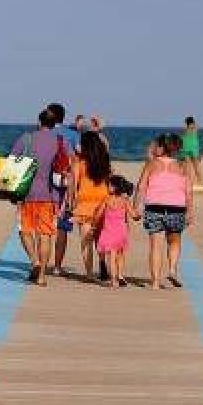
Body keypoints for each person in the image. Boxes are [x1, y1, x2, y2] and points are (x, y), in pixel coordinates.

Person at [9, 109, 63, 286]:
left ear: (39, 122)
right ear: (54, 124)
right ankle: (42, 277)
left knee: (24, 230)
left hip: (27, 194)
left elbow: (11, 161)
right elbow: (67, 167)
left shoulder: (26, 138)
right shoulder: (59, 141)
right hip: (50, 194)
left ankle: (35, 262)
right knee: (45, 235)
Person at [135, 133, 194, 290]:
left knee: (155, 245)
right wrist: (190, 211)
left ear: (162, 147)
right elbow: (188, 191)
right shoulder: (183, 166)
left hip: (154, 207)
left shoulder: (152, 164)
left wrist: (137, 205)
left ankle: (155, 282)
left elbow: (141, 186)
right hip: (177, 208)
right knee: (174, 241)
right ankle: (173, 270)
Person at [64, 130, 111, 279]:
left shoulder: (79, 163)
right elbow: (109, 183)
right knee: (101, 238)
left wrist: (70, 203)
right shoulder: (104, 162)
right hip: (103, 203)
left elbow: (73, 185)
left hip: (84, 204)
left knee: (86, 241)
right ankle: (103, 263)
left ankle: (90, 273)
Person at [45, 103, 78, 275]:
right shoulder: (72, 135)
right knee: (62, 227)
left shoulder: (44, 133)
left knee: (44, 226)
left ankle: (41, 262)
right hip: (65, 184)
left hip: (46, 185)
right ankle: (57, 266)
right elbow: (77, 159)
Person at [94, 175, 137, 288]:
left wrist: (94, 224)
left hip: (108, 231)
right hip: (121, 232)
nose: (107, 187)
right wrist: (138, 215)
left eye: (109, 185)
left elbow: (98, 214)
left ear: (114, 187)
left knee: (111, 256)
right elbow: (134, 215)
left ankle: (113, 280)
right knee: (121, 255)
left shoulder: (107, 199)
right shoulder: (124, 201)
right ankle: (120, 275)